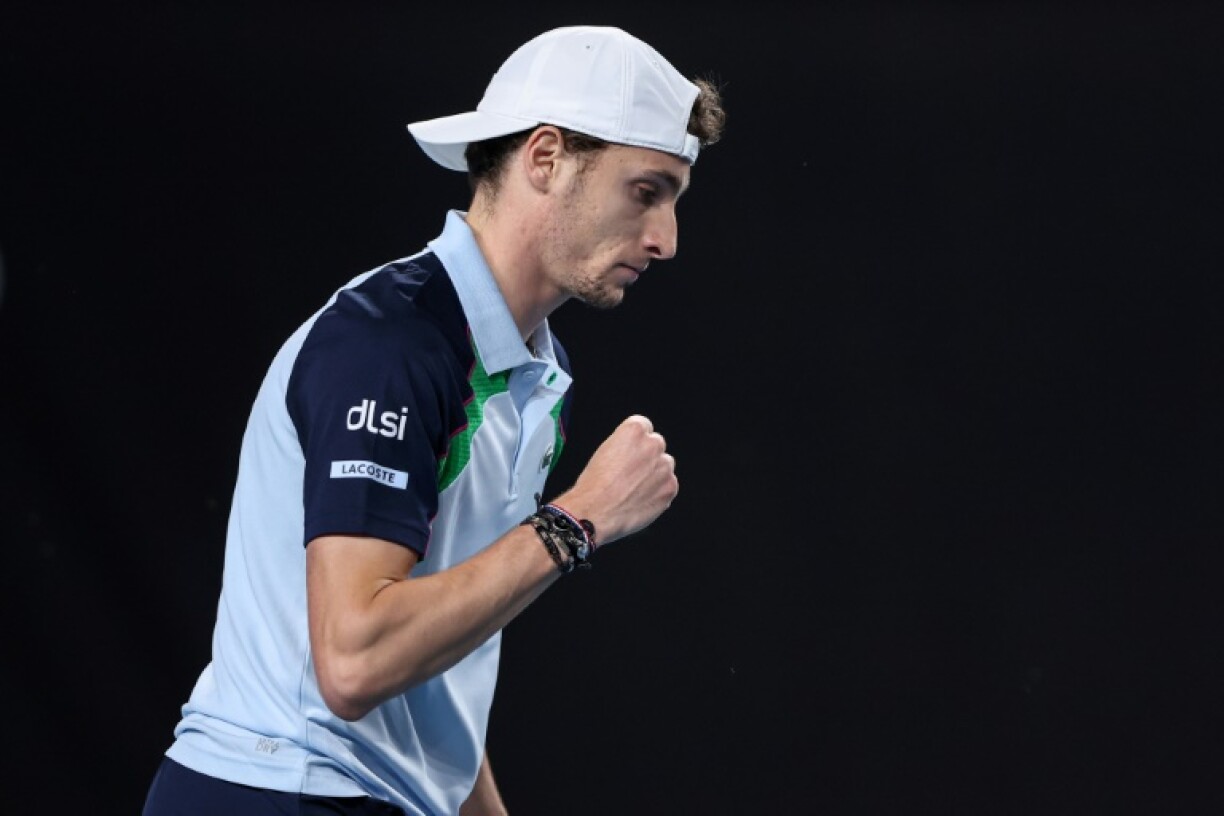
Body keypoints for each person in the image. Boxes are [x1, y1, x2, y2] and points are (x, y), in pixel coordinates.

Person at [142, 24, 724, 816]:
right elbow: (354, 661)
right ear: (545, 159)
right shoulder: (391, 346)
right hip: (276, 791)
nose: (666, 240)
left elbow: (436, 658)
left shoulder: (530, 371)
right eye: (646, 192)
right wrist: (577, 519)